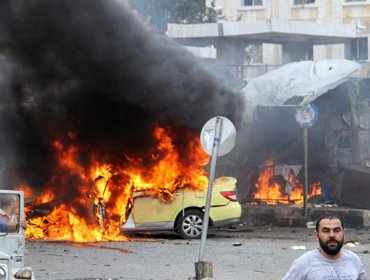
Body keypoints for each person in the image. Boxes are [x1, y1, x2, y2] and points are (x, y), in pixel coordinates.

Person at [282, 214, 366, 280]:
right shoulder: (303, 263)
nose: (332, 235)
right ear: (317, 235)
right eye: (326, 231)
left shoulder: (354, 260)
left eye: (337, 230)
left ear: (343, 233)